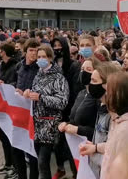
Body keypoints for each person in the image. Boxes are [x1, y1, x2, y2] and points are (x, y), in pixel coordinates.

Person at [24, 45, 69, 179]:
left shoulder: (58, 78)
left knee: (43, 161)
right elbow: (34, 93)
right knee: (39, 161)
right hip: (37, 124)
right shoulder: (38, 75)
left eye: (44, 56)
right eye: (39, 57)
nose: (41, 59)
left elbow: (62, 101)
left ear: (50, 58)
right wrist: (27, 93)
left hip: (50, 124)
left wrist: (41, 98)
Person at [98, 72, 128, 179]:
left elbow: (125, 169)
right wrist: (95, 148)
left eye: (109, 92)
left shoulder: (127, 130)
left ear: (120, 96)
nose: (106, 96)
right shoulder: (119, 122)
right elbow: (113, 147)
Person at [51, 37, 83, 179]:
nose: (57, 48)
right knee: (57, 144)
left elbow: (75, 90)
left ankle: (75, 173)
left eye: (59, 46)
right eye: (54, 46)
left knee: (70, 145)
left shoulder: (74, 66)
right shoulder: (51, 65)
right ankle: (60, 168)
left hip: (68, 110)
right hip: (55, 110)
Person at [11, 38, 41, 179]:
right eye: (31, 50)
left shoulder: (40, 69)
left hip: (32, 113)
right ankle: (21, 175)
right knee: (16, 147)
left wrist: (31, 92)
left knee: (32, 150)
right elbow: (14, 81)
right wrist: (12, 87)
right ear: (25, 51)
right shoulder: (19, 66)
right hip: (19, 112)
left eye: (36, 51)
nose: (33, 54)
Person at [0, 42, 19, 178]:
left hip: (12, 106)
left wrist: (7, 85)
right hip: (3, 105)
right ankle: (8, 162)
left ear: (5, 52)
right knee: (3, 137)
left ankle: (15, 165)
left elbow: (16, 83)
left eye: (1, 50)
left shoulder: (15, 66)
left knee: (11, 137)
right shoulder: (2, 65)